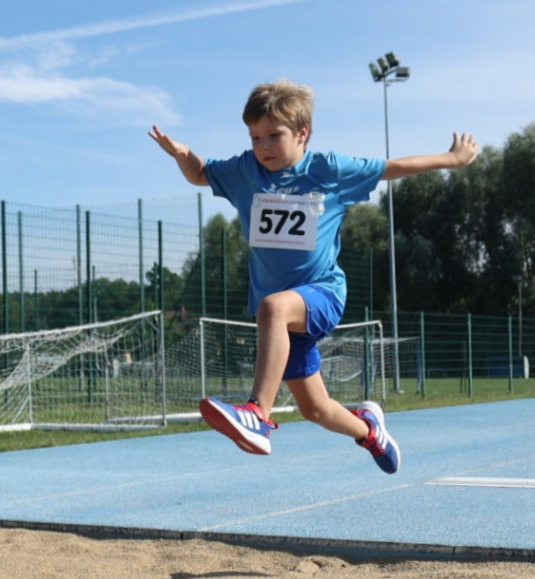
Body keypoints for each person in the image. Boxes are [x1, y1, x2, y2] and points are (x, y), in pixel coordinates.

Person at [149, 79, 478, 474]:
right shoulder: (244, 171)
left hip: (321, 293)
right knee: (315, 408)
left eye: (274, 136)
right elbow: (200, 174)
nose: (263, 146)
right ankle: (370, 431)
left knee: (272, 307)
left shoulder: (329, 171)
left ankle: (257, 413)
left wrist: (451, 159)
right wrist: (182, 154)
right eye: (255, 137)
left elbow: (391, 168)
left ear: (302, 133)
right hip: (284, 322)